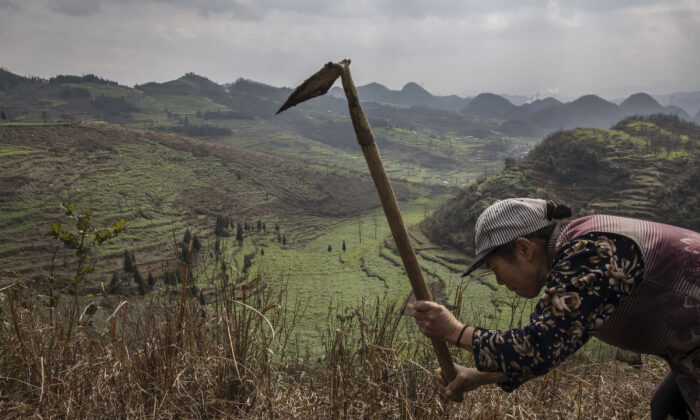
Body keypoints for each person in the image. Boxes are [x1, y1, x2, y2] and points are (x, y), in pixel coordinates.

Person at [410, 198, 699, 419]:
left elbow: (539, 346)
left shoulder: (591, 251)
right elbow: (559, 341)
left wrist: (455, 331)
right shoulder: (575, 252)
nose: (498, 281)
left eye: (494, 268)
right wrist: (480, 376)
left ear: (524, 249)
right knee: (668, 406)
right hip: (687, 352)